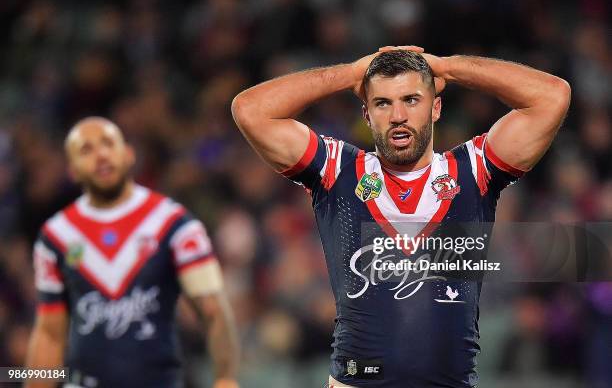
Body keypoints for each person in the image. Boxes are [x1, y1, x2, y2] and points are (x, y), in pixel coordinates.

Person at [232, 47, 571, 387]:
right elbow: (250, 110)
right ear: (366, 114)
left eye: (411, 99)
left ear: (436, 107)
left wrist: (449, 68)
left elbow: (552, 96)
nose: (398, 115)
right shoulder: (337, 170)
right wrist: (350, 74)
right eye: (383, 103)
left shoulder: (474, 171)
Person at [25, 117, 240, 388]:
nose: (101, 155)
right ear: (73, 171)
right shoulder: (55, 237)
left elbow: (213, 311)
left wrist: (225, 378)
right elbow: (49, 333)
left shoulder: (174, 225)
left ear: (128, 154)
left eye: (108, 143)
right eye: (86, 150)